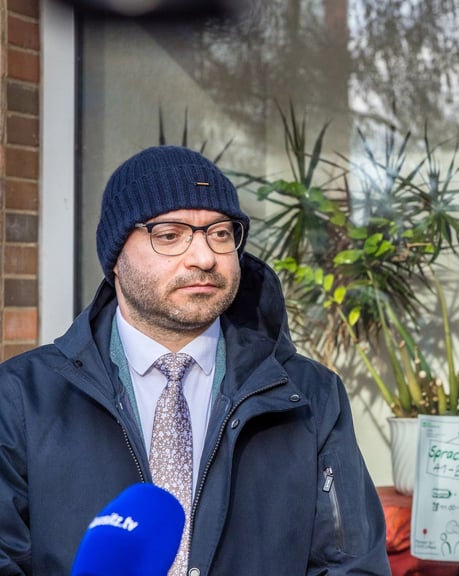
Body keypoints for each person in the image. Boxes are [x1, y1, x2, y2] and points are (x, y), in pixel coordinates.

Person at [0, 146, 389, 574]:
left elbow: (352, 566)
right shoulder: (21, 398)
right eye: (170, 235)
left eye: (220, 233)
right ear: (116, 259)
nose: (204, 257)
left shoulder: (309, 397)